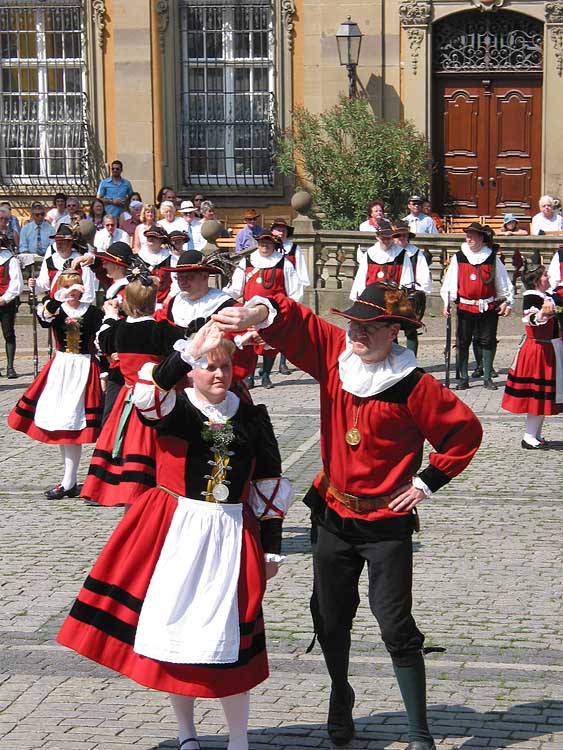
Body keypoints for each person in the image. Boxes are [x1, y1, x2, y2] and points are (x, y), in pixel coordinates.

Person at [211, 282, 482, 750]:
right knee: (331, 617)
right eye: (354, 324)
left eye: (370, 327)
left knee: (394, 623)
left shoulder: (416, 385)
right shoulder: (336, 355)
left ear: (394, 330)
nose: (357, 333)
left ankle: (419, 732)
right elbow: (290, 317)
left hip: (385, 525)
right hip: (332, 513)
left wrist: (424, 483)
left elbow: (464, 434)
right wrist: (258, 310)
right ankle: (341, 696)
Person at [57, 322, 294, 750]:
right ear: (191, 371)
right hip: (174, 532)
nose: (218, 374)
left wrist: (272, 549)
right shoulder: (175, 408)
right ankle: (187, 734)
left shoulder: (253, 418)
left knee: (229, 641)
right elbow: (147, 394)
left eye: (224, 366)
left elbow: (268, 483)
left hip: (229, 534)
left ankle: (238, 739)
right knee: (174, 633)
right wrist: (187, 353)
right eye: (207, 367)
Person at [81, 273, 184, 506]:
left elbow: (101, 341)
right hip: (157, 396)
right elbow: (184, 348)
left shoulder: (116, 330)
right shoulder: (162, 329)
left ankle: (124, 488)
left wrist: (109, 315)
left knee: (126, 441)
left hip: (129, 395)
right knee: (157, 443)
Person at [9, 270, 104, 498]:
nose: (74, 291)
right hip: (61, 367)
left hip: (83, 368)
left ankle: (69, 481)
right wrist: (60, 296)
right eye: (69, 286)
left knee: (73, 424)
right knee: (63, 423)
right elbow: (44, 318)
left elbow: (102, 342)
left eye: (78, 285)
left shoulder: (93, 313)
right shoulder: (56, 308)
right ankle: (68, 480)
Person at [440, 223, 513, 391]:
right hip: (465, 306)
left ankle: (487, 377)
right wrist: (447, 302)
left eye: (472, 235)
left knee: (487, 341)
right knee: (463, 342)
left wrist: (506, 301)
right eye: (467, 235)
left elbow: (502, 282)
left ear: (481, 238)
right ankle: (464, 378)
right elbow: (450, 282)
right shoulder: (459, 257)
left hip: (487, 306)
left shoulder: (492, 257)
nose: (469, 238)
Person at [225, 233, 301, 389]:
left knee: (270, 346)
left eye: (267, 243)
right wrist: (222, 297)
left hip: (274, 314)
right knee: (250, 345)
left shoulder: (283, 264)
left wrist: (291, 308)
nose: (264, 245)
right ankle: (250, 376)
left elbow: (294, 290)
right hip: (249, 313)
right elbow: (236, 288)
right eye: (261, 242)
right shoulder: (247, 262)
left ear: (274, 245)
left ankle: (266, 374)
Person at [502, 265, 563, 448]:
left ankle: (534, 435)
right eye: (545, 275)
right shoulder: (531, 297)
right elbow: (531, 319)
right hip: (538, 350)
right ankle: (529, 436)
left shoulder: (547, 296)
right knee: (537, 395)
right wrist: (542, 314)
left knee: (544, 395)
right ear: (537, 281)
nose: (549, 276)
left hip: (548, 349)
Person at [270, 217, 311, 374]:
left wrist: (298, 294)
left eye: (283, 230)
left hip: (289, 292)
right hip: (273, 291)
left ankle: (283, 362)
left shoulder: (294, 248)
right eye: (278, 229)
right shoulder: (268, 248)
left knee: (286, 327)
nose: (280, 232)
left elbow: (301, 270)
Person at [391, 221, 432, 355]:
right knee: (391, 328)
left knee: (411, 329)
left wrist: (420, 293)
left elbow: (423, 273)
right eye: (398, 236)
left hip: (410, 297)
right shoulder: (390, 253)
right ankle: (394, 360)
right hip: (392, 296)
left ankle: (411, 360)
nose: (401, 239)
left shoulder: (415, 253)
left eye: (404, 236)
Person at [30, 224, 96, 304]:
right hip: (54, 305)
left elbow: (88, 286)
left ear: (70, 243)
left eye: (62, 242)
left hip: (75, 304)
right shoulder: (51, 260)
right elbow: (44, 282)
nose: (59, 245)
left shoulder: (80, 260)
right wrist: (35, 284)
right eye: (57, 242)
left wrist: (82, 307)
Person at [350, 226, 415, 300]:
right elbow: (361, 277)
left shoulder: (402, 254)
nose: (386, 241)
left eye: (389, 239)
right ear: (377, 237)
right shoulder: (370, 253)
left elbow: (407, 277)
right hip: (371, 297)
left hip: (393, 298)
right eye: (383, 238)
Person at [0, 233, 23, 378]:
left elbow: (17, 283)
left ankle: (10, 367)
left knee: (8, 333)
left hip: (5, 301)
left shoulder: (10, 260)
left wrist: (4, 298)